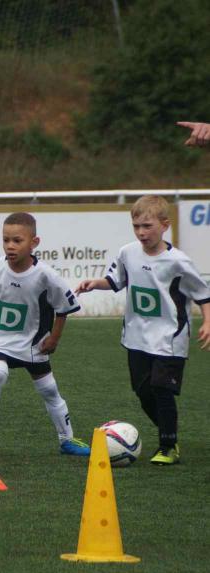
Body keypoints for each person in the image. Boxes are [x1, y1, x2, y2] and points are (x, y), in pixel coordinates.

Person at [76, 195, 210, 465]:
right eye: (136, 226)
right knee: (142, 391)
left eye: (147, 226)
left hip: (170, 337)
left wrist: (208, 321)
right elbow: (115, 281)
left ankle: (168, 446)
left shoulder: (178, 262)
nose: (141, 232)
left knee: (162, 389)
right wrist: (95, 283)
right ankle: (168, 431)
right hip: (136, 335)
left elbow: (203, 294)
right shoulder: (128, 252)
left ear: (165, 225)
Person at [0, 212, 90, 458]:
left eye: (17, 240)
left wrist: (54, 339)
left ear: (34, 243)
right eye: (6, 240)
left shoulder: (47, 276)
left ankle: (67, 440)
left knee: (50, 391)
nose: (10, 246)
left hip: (32, 344)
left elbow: (63, 309)